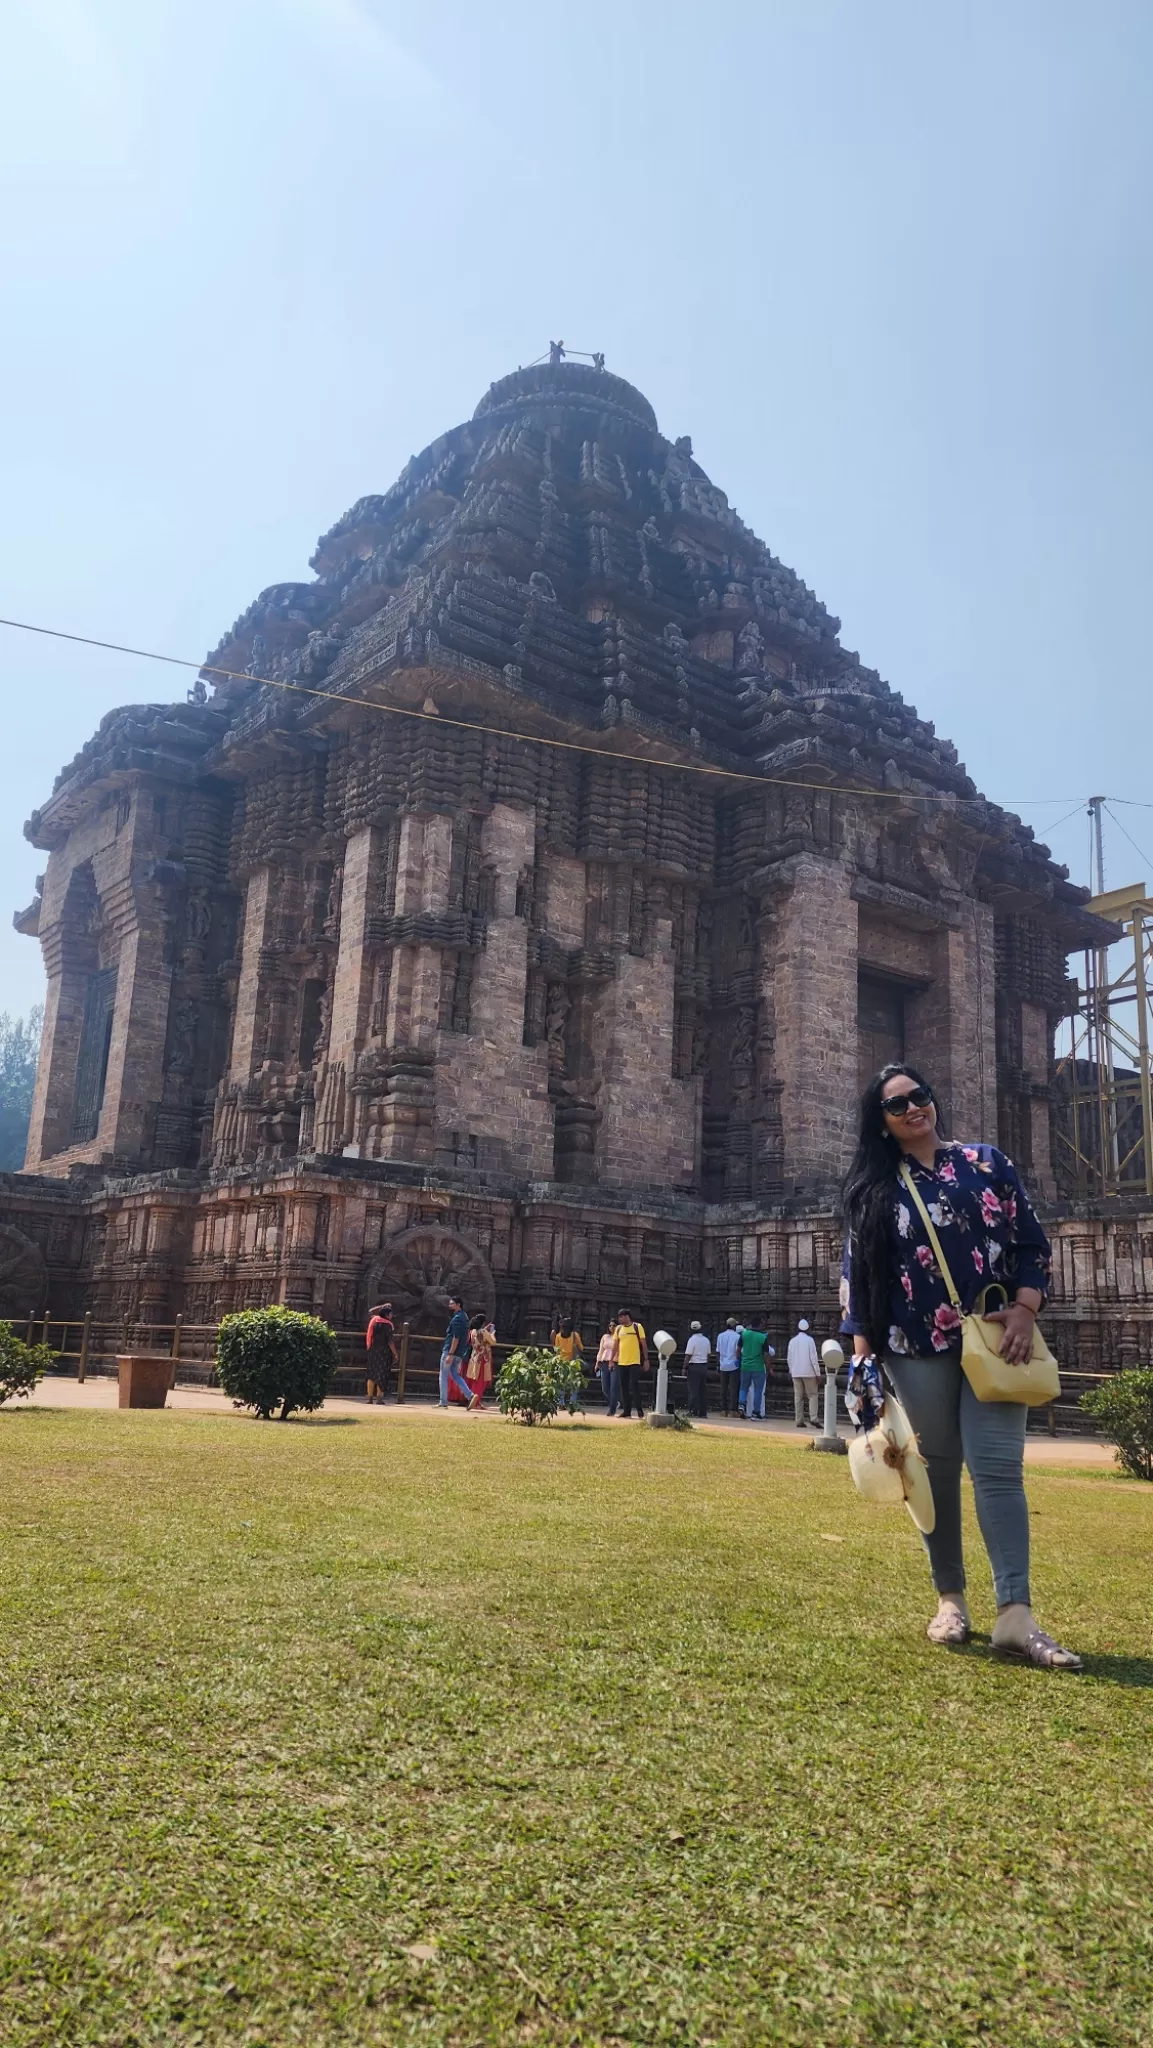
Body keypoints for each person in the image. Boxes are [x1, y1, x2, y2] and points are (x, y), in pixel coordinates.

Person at [843, 1062, 1081, 1669]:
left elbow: (1031, 1242)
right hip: (912, 1343)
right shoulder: (875, 1186)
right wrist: (862, 1357)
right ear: (882, 1122)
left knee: (999, 1467)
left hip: (997, 1335)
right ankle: (951, 1600)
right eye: (897, 1106)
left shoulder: (985, 1163)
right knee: (935, 1472)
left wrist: (1026, 1309)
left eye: (919, 1096)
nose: (913, 1109)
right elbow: (859, 1277)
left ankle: (1015, 1613)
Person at [439, 1294, 474, 1408]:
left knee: (443, 1375)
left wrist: (450, 1353)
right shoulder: (465, 1317)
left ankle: (443, 1402)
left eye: (452, 1303)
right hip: (459, 1353)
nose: (449, 1305)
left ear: (458, 1305)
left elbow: (456, 1337)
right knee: (455, 1374)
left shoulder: (457, 1319)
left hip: (451, 1350)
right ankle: (470, 1395)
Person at [611, 1310, 648, 1418]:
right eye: (619, 1318)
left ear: (627, 1317)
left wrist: (646, 1359)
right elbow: (615, 1345)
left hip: (634, 1362)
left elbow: (643, 1344)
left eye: (621, 1317)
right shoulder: (618, 1329)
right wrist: (611, 1360)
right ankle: (626, 1410)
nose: (620, 1320)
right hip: (622, 1362)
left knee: (634, 1385)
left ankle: (639, 1409)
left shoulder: (637, 1327)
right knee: (624, 1387)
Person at [786, 1317, 821, 1429]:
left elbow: (789, 1358)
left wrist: (791, 1370)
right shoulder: (810, 1340)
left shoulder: (792, 1341)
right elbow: (813, 1358)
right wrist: (818, 1373)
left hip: (796, 1372)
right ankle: (813, 1418)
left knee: (798, 1397)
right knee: (812, 1395)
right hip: (809, 1372)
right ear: (808, 1329)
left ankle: (799, 1420)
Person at [738, 1317, 772, 1419]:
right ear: (759, 1325)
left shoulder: (744, 1335)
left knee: (744, 1387)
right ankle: (756, 1412)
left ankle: (741, 1404)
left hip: (745, 1366)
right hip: (758, 1367)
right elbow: (766, 1354)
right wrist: (769, 1367)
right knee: (758, 1390)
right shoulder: (762, 1337)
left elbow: (738, 1349)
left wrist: (741, 1359)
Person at [365, 1300, 396, 1403]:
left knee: (371, 1374)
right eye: (390, 1314)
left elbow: (370, 1312)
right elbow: (390, 1342)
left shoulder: (374, 1321)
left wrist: (381, 1307)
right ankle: (379, 1398)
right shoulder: (388, 1325)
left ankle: (369, 1398)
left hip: (373, 1351)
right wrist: (395, 1353)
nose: (392, 1316)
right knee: (381, 1375)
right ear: (387, 1315)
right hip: (384, 1353)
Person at [465, 1315, 495, 1411]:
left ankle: (474, 1401)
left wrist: (485, 1330)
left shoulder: (472, 1332)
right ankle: (476, 1403)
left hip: (474, 1358)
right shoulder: (484, 1332)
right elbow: (493, 1342)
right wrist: (493, 1333)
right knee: (481, 1381)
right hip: (483, 1360)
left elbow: (480, 1335)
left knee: (475, 1380)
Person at [683, 1320, 711, 1418]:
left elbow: (688, 1355)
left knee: (693, 1390)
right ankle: (703, 1412)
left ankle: (692, 1410)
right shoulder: (706, 1340)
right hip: (703, 1366)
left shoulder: (692, 1340)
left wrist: (684, 1367)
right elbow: (708, 1355)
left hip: (694, 1366)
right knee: (702, 1390)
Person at [716, 1317, 742, 1415]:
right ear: (733, 1326)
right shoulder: (737, 1336)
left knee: (723, 1388)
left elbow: (718, 1351)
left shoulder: (720, 1336)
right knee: (733, 1388)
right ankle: (732, 1410)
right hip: (733, 1364)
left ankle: (723, 1409)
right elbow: (738, 1351)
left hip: (723, 1364)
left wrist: (718, 1363)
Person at [595, 1323, 619, 1415]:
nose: (611, 1327)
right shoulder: (605, 1337)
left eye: (614, 1325)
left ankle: (612, 1409)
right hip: (604, 1362)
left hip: (615, 1362)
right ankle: (615, 1402)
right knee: (605, 1387)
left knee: (613, 1386)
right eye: (610, 1325)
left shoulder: (618, 1338)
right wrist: (597, 1362)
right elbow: (601, 1349)